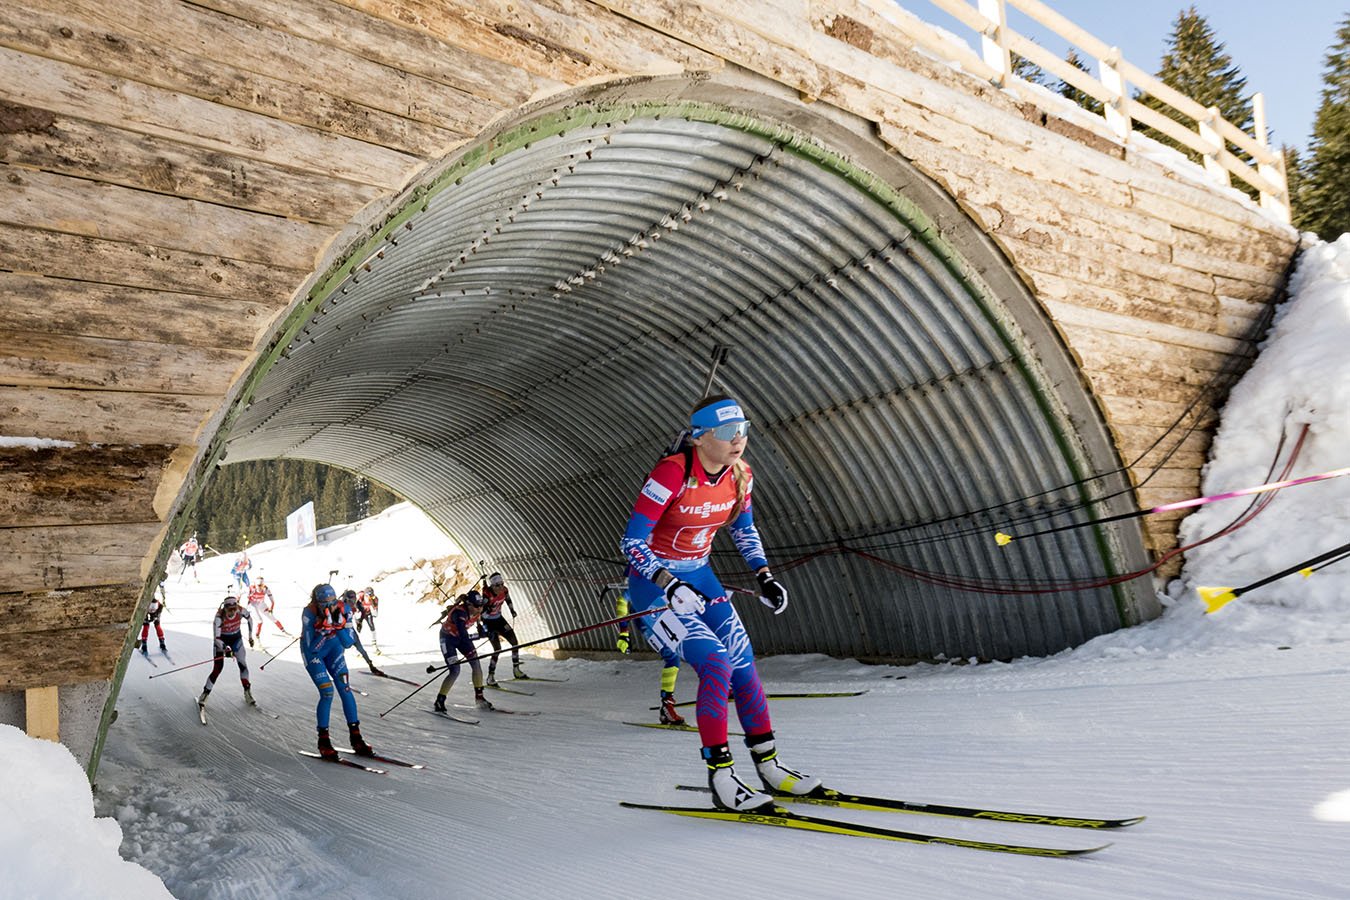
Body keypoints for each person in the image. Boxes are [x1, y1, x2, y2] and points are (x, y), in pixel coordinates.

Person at [620, 394, 821, 811]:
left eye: (743, 430)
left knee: (744, 664)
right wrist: (668, 583)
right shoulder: (671, 474)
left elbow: (745, 530)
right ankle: (722, 776)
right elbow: (632, 541)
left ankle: (770, 766)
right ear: (699, 438)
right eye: (728, 432)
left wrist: (764, 576)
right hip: (655, 585)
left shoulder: (742, 475)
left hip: (701, 576)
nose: (738, 440)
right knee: (715, 663)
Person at [301, 583, 375, 759]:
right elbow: (312, 648)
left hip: (334, 649)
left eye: (332, 601)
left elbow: (348, 643)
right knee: (327, 692)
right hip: (315, 654)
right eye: (324, 603)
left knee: (345, 688)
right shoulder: (309, 612)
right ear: (316, 602)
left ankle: (356, 737)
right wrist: (325, 630)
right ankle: (323, 741)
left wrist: (339, 626)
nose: (329, 606)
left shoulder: (343, 609)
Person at [613, 585, 686, 725]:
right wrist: (623, 632)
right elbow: (623, 600)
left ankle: (723, 684)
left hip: (663, 614)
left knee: (694, 646)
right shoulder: (640, 575)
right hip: (646, 620)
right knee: (672, 658)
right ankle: (667, 706)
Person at [431, 590, 493, 712]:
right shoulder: (459, 613)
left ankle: (479, 697)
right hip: (448, 639)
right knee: (455, 670)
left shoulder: (476, 610)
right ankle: (440, 700)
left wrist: (487, 631)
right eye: (477, 606)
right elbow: (464, 636)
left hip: (461, 639)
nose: (480, 609)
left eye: (481, 606)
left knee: (476, 664)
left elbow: (480, 623)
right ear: (469, 604)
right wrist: (481, 635)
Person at [197, 595, 254, 712]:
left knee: (242, 664)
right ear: (225, 608)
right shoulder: (219, 617)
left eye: (234, 609)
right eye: (229, 610)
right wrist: (226, 649)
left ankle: (247, 692)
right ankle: (205, 694)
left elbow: (250, 619)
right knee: (218, 668)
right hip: (221, 641)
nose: (232, 612)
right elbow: (216, 639)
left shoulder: (241, 610)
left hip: (236, 640)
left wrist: (250, 636)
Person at [480, 572, 526, 684]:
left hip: (499, 620)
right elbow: (480, 615)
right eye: (497, 585)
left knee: (515, 642)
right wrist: (488, 611)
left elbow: (508, 599)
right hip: (489, 623)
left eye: (501, 584)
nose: (500, 587)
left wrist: (512, 610)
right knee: (497, 649)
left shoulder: (504, 590)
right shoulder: (487, 596)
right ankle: (490, 676)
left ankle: (516, 670)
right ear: (492, 586)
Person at [341, 589, 385, 676]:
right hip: (342, 631)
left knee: (361, 649)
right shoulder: (341, 606)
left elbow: (363, 611)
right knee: (340, 652)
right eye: (351, 600)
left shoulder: (353, 605)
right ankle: (339, 671)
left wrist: (360, 622)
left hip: (349, 630)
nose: (353, 602)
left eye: (354, 600)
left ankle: (371, 665)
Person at [245, 576, 287, 644]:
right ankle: (257, 636)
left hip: (261, 603)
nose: (260, 587)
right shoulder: (251, 588)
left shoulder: (265, 588)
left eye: (262, 585)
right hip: (252, 605)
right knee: (260, 620)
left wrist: (271, 607)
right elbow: (245, 597)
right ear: (255, 584)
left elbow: (272, 600)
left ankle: (284, 631)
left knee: (272, 617)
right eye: (258, 585)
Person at [136, 590, 168, 655]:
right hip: (145, 611)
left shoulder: (159, 607)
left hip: (156, 612)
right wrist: (146, 619)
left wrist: (155, 616)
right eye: (151, 608)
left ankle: (162, 644)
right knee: (146, 626)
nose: (152, 610)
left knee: (157, 625)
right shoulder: (145, 605)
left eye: (154, 608)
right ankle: (144, 645)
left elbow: (159, 608)